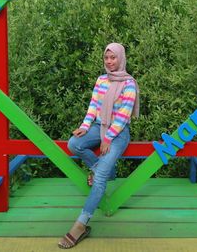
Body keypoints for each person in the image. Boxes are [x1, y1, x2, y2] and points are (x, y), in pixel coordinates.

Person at [58, 42, 139, 249]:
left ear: (121, 58)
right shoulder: (101, 80)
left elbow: (123, 115)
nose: (110, 62)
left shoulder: (129, 84)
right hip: (98, 126)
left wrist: (108, 138)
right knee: (74, 144)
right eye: (107, 58)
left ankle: (81, 225)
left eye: (113, 58)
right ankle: (103, 170)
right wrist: (85, 126)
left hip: (118, 133)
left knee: (100, 177)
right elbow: (94, 106)